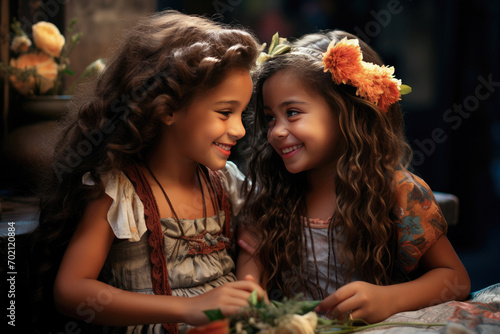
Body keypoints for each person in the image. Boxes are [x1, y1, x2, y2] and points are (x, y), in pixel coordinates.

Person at [29, 10, 264, 334]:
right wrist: (190, 308)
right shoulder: (119, 192)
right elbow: (71, 292)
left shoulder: (228, 184)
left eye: (241, 113)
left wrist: (248, 288)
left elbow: (254, 243)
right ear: (167, 108)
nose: (238, 129)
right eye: (225, 112)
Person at [236, 30, 471, 324]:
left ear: (347, 113)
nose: (277, 131)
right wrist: (254, 307)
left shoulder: (397, 192)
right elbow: (249, 290)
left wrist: (388, 299)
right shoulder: (268, 195)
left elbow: (457, 279)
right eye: (271, 117)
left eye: (292, 113)